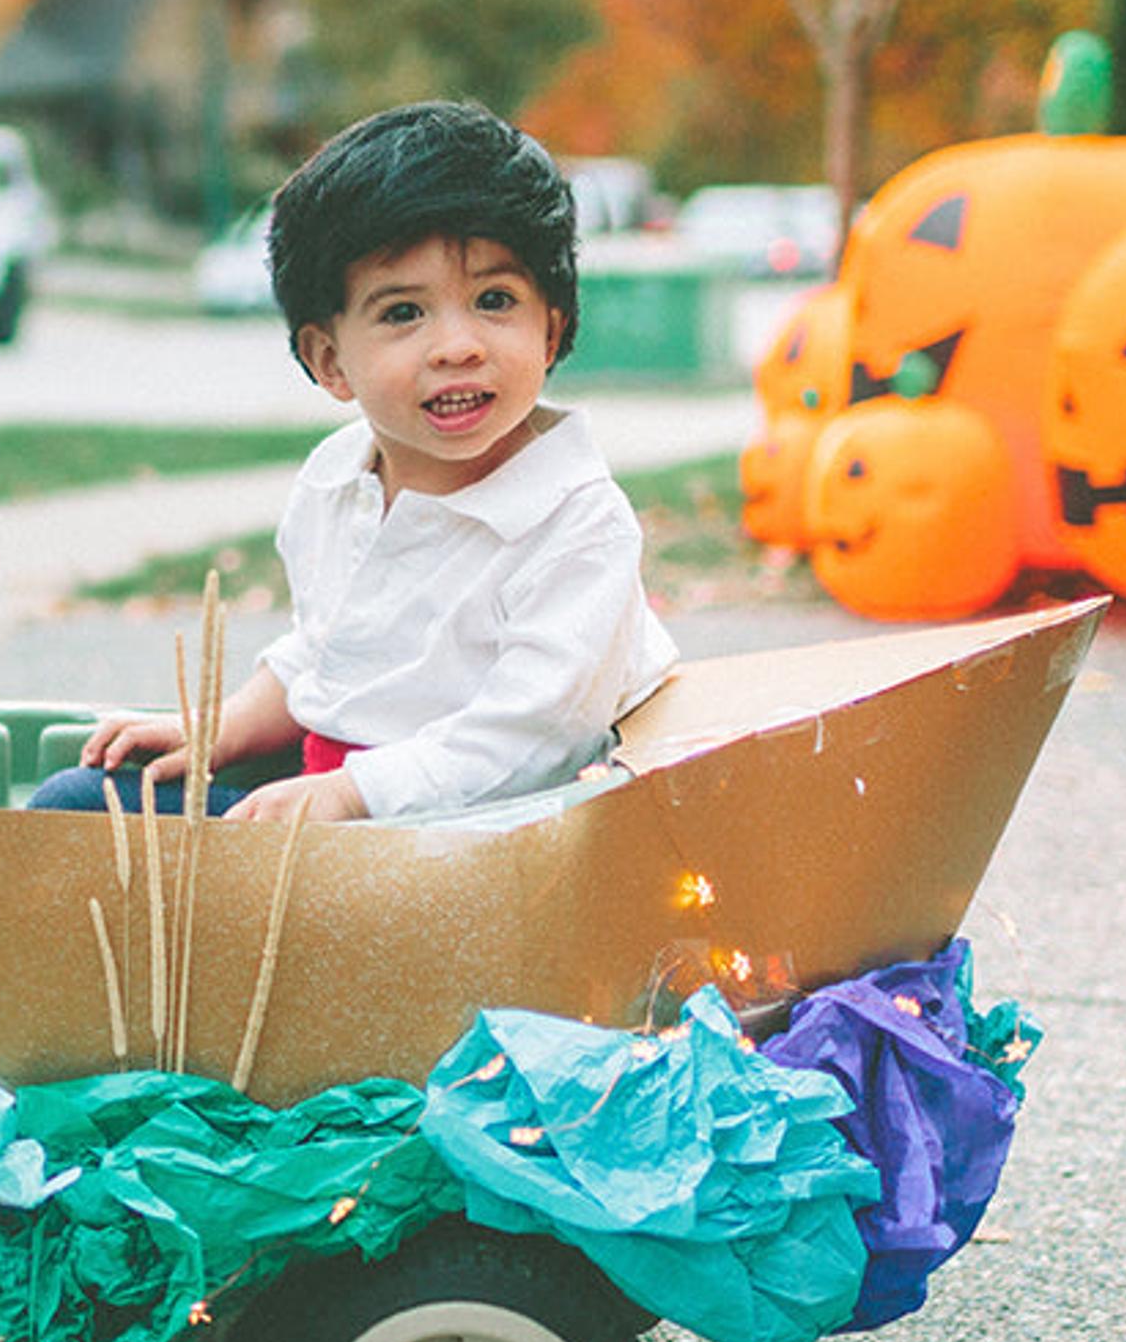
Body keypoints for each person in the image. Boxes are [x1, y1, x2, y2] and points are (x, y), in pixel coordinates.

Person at [39, 99, 677, 826]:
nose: (457, 345)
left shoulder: (574, 523)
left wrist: (350, 793)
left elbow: (529, 739)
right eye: (404, 312)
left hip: (476, 843)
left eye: (494, 299)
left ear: (552, 329)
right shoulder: (337, 481)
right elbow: (329, 651)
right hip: (332, 802)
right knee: (78, 807)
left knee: (148, 842)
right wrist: (225, 726)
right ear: (330, 359)